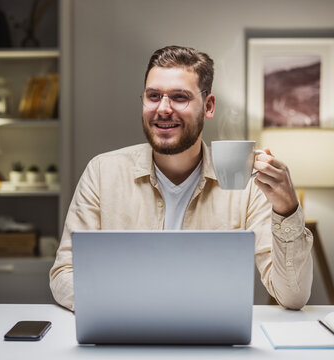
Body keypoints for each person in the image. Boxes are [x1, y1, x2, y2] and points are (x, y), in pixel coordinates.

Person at [50, 45, 313, 311]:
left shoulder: (245, 185)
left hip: (210, 343)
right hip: (125, 337)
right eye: (154, 96)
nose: (163, 109)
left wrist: (287, 209)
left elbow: (293, 297)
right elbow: (64, 275)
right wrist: (136, 309)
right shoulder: (102, 172)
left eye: (179, 97)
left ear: (208, 106)